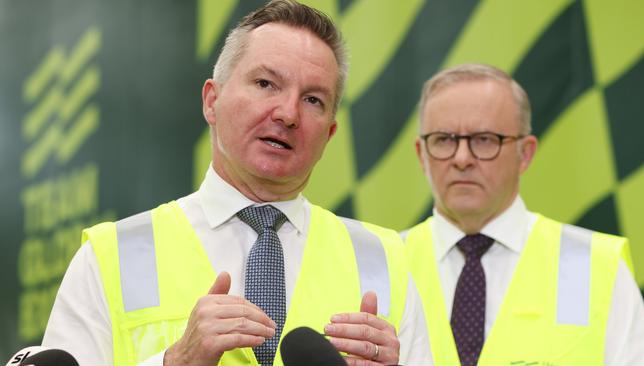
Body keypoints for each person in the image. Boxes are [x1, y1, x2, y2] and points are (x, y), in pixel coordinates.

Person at [42, 1, 433, 365]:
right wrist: (174, 361)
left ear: (329, 134)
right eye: (266, 83)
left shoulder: (384, 261)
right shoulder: (113, 257)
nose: (288, 113)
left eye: (313, 99)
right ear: (212, 101)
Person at [404, 63, 644, 366]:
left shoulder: (593, 266)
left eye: (484, 139)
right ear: (421, 154)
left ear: (526, 154)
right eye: (444, 139)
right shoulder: (388, 264)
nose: (462, 158)